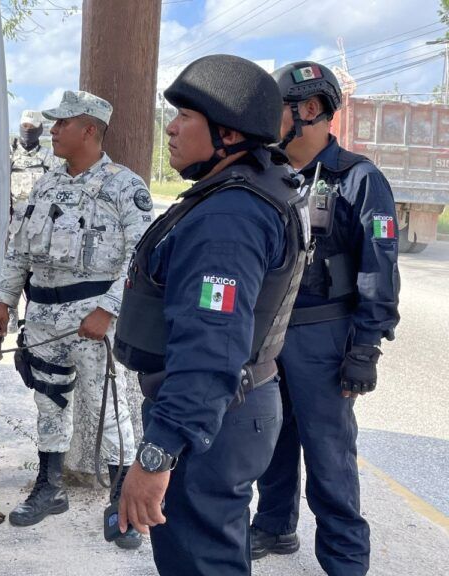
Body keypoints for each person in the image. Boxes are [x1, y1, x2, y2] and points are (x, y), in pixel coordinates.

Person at [113, 54, 310, 575]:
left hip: (212, 421)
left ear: (227, 133)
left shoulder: (228, 217)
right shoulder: (248, 189)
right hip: (228, 412)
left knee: (199, 562)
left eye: (185, 118)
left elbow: (210, 349)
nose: (170, 130)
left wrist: (157, 455)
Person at [251, 61, 400, 576]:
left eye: (276, 110)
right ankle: (273, 526)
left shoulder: (359, 179)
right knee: (272, 437)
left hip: (326, 336)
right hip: (272, 334)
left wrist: (365, 348)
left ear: (309, 110)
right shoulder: (271, 175)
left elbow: (380, 270)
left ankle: (344, 560)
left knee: (329, 453)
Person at [0, 90, 154, 549]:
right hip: (42, 318)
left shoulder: (125, 186)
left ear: (90, 131)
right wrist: (4, 302)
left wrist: (108, 309)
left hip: (94, 322)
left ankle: (122, 502)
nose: (53, 131)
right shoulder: (44, 184)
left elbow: (142, 257)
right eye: (54, 124)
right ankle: (49, 487)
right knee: (48, 403)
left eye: (63, 124)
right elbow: (19, 248)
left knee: (110, 409)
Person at [7, 110, 57, 332]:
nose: (27, 131)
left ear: (39, 130)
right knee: (9, 271)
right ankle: (9, 316)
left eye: (32, 128)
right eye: (24, 126)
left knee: (33, 275)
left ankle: (31, 319)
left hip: (38, 225)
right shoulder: (8, 155)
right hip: (9, 224)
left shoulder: (49, 157)